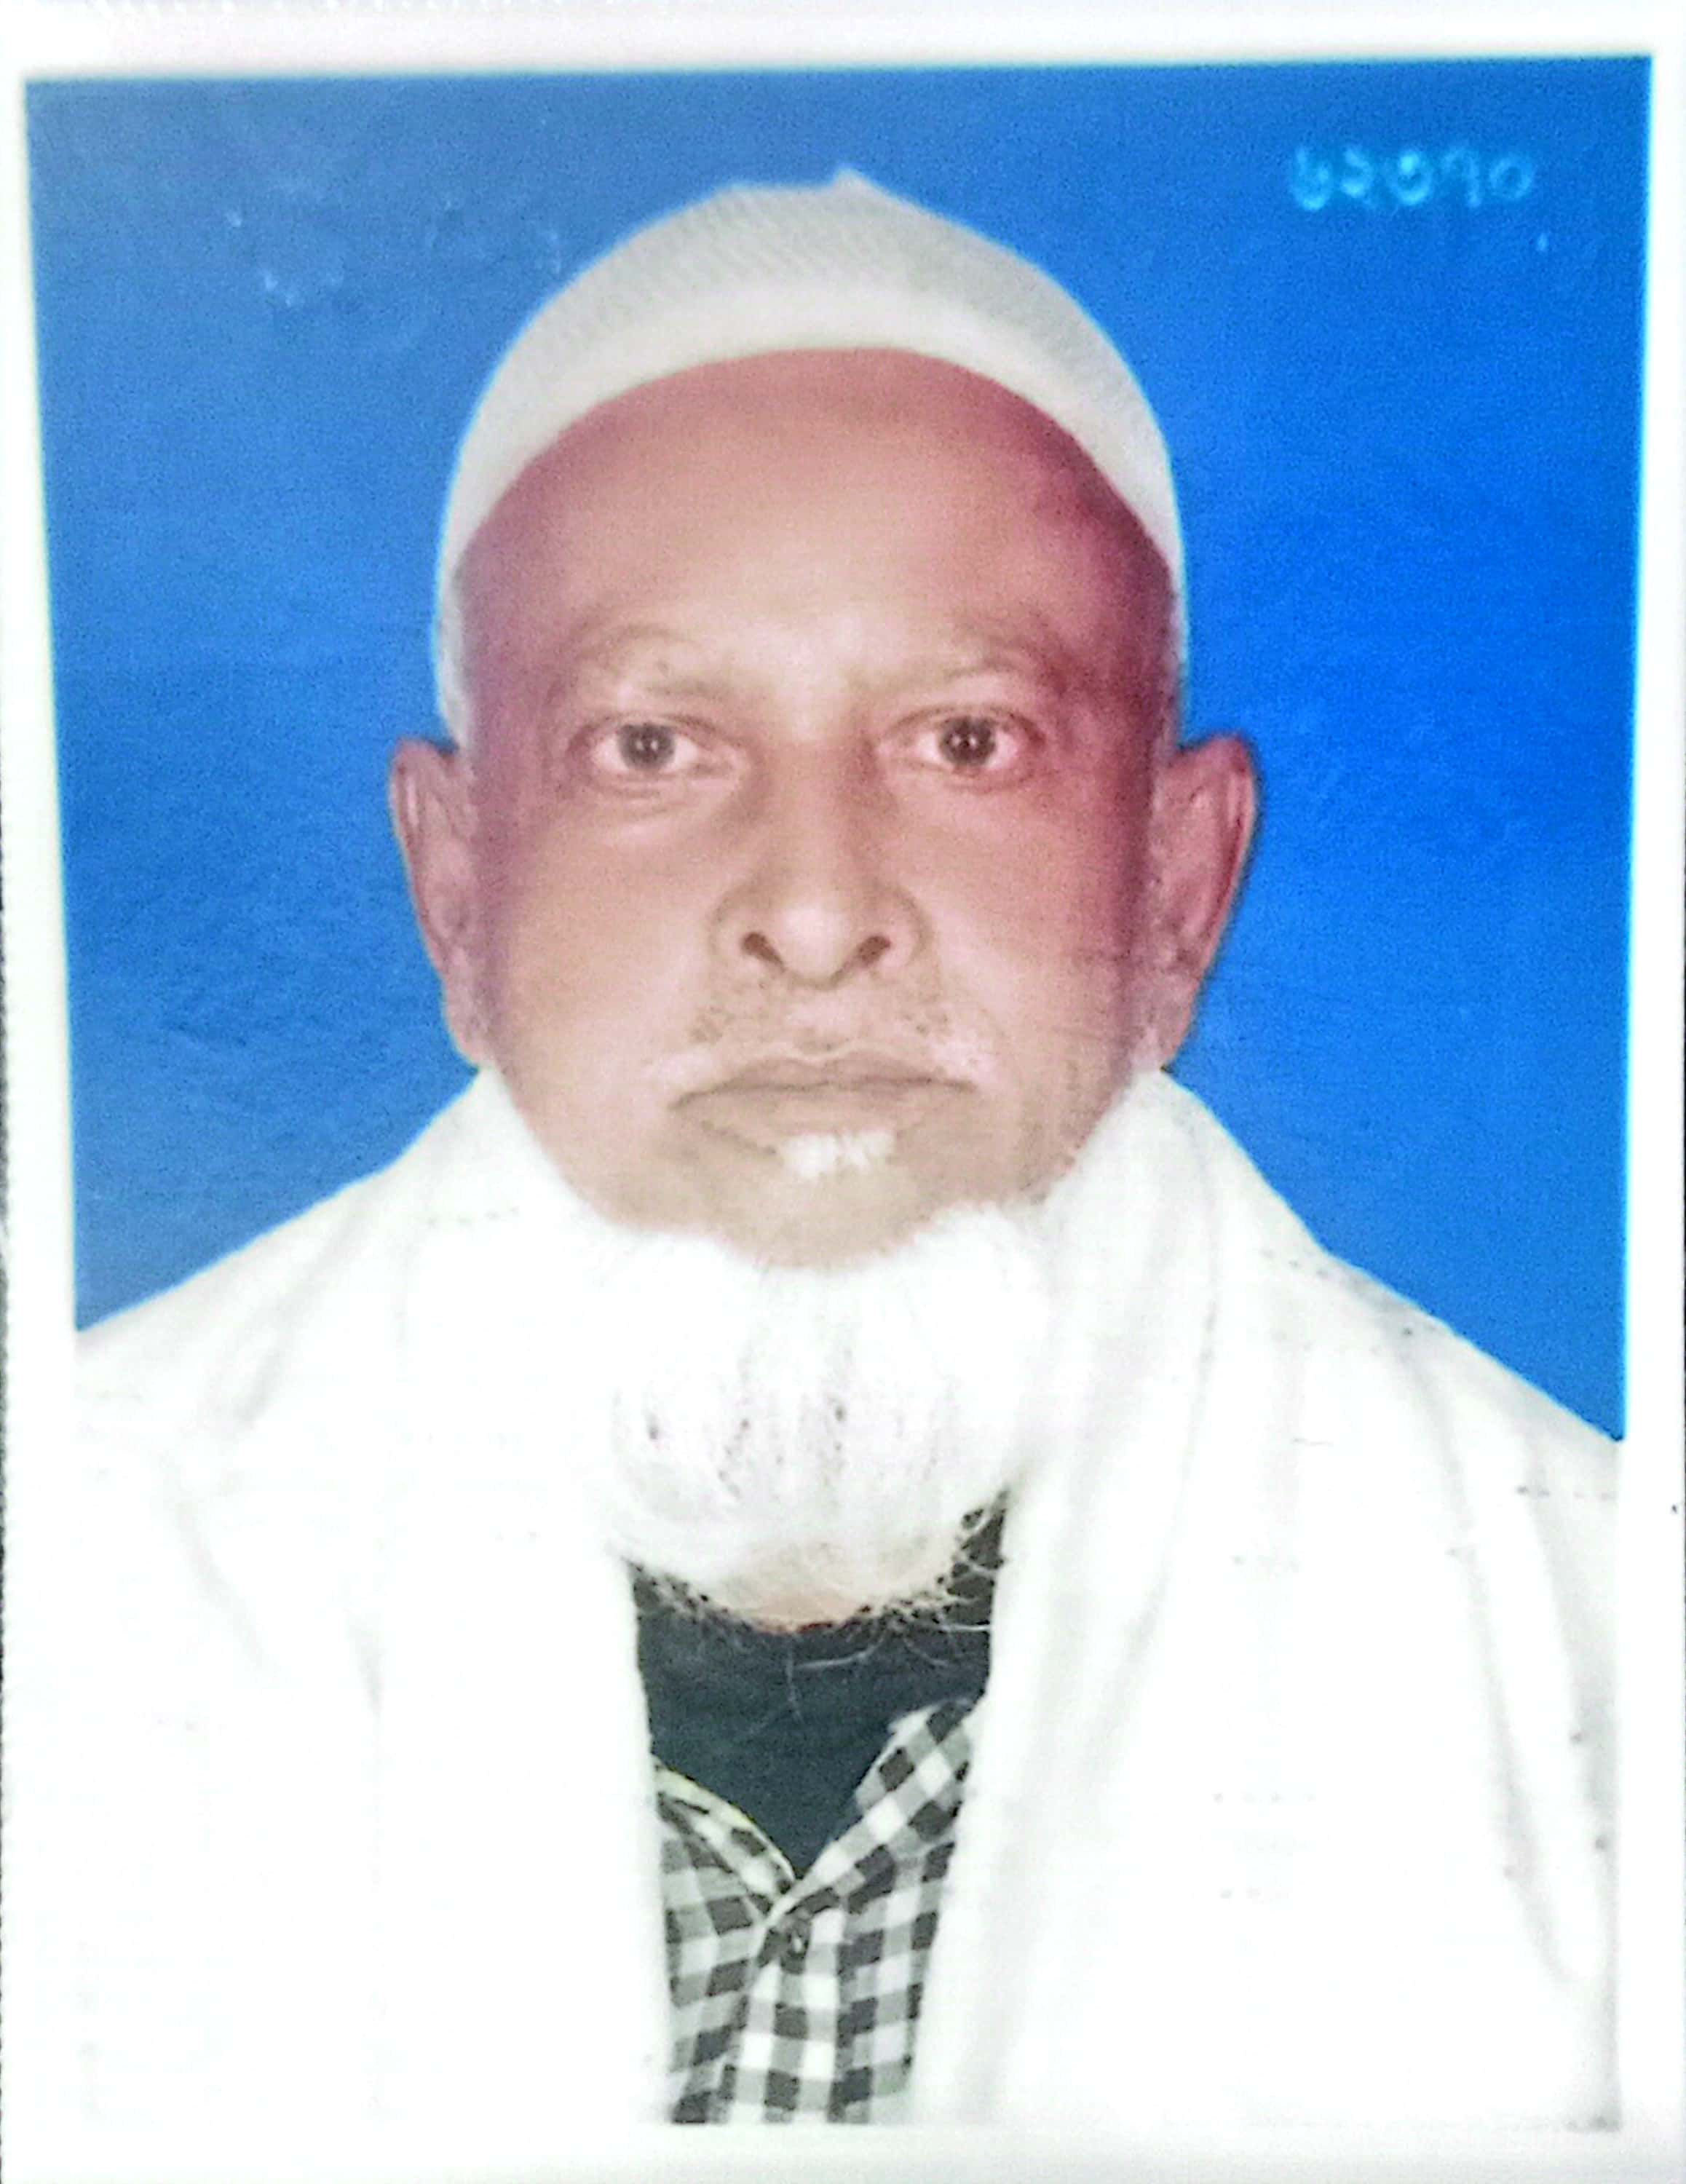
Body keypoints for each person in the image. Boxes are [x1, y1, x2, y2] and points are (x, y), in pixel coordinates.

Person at [5, 174, 1615, 2171]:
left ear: (1180, 890)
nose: (819, 912)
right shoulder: (68, 1569)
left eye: (967, 742)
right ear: (456, 892)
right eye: (653, 748)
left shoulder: (1603, 1646)